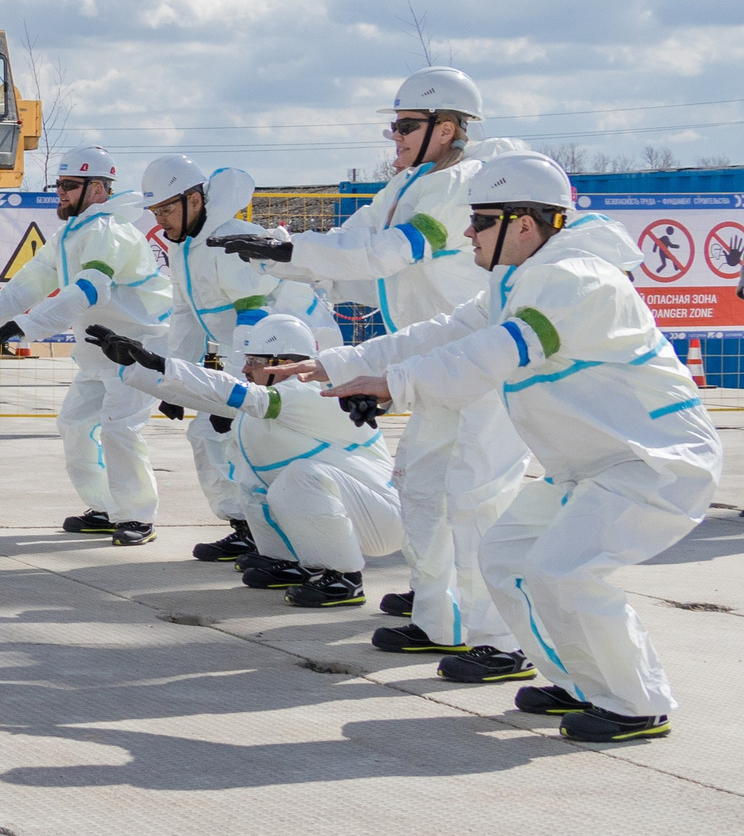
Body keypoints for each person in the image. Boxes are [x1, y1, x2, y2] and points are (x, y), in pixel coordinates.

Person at [298, 153, 724, 742]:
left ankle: (635, 704)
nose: (467, 232)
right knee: (506, 559)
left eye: (481, 219)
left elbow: (495, 353)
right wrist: (338, 362)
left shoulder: (577, 279)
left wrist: (393, 386)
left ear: (525, 224)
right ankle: (580, 683)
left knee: (565, 572)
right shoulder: (515, 278)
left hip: (654, 463)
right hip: (589, 469)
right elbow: (444, 332)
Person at [209, 66, 529, 661]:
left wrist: (288, 250)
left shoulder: (460, 185)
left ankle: (503, 643)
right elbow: (346, 245)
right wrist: (275, 255)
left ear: (450, 127)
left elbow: (387, 254)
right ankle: (441, 621)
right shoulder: (401, 187)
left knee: (477, 503)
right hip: (429, 359)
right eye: (396, 126)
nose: (397, 138)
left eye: (407, 125)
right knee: (423, 494)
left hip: (482, 367)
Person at [89, 315, 400, 608]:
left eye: (254, 362)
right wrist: (136, 366)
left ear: (284, 364)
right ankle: (292, 563)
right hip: (356, 510)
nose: (246, 369)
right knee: (254, 481)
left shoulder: (308, 393)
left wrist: (160, 363)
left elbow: (232, 392)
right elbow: (210, 398)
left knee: (303, 476)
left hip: (382, 517)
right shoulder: (272, 397)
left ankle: (345, 578)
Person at [139, 155, 342, 564]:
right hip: (257, 357)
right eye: (155, 211)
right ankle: (251, 529)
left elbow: (252, 319)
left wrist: (230, 395)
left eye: (166, 209)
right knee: (214, 437)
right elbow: (186, 317)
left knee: (255, 440)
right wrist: (179, 382)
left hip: (291, 355)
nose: (161, 220)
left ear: (193, 201)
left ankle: (293, 538)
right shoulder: (184, 247)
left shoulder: (226, 240)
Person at [0, 147, 169, 544]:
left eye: (69, 185)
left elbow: (88, 290)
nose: (60, 192)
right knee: (75, 425)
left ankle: (138, 517)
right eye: (59, 184)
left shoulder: (109, 231)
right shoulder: (71, 233)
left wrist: (27, 325)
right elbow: (33, 279)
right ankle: (106, 508)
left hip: (137, 352)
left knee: (120, 430)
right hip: (98, 355)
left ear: (98, 190)